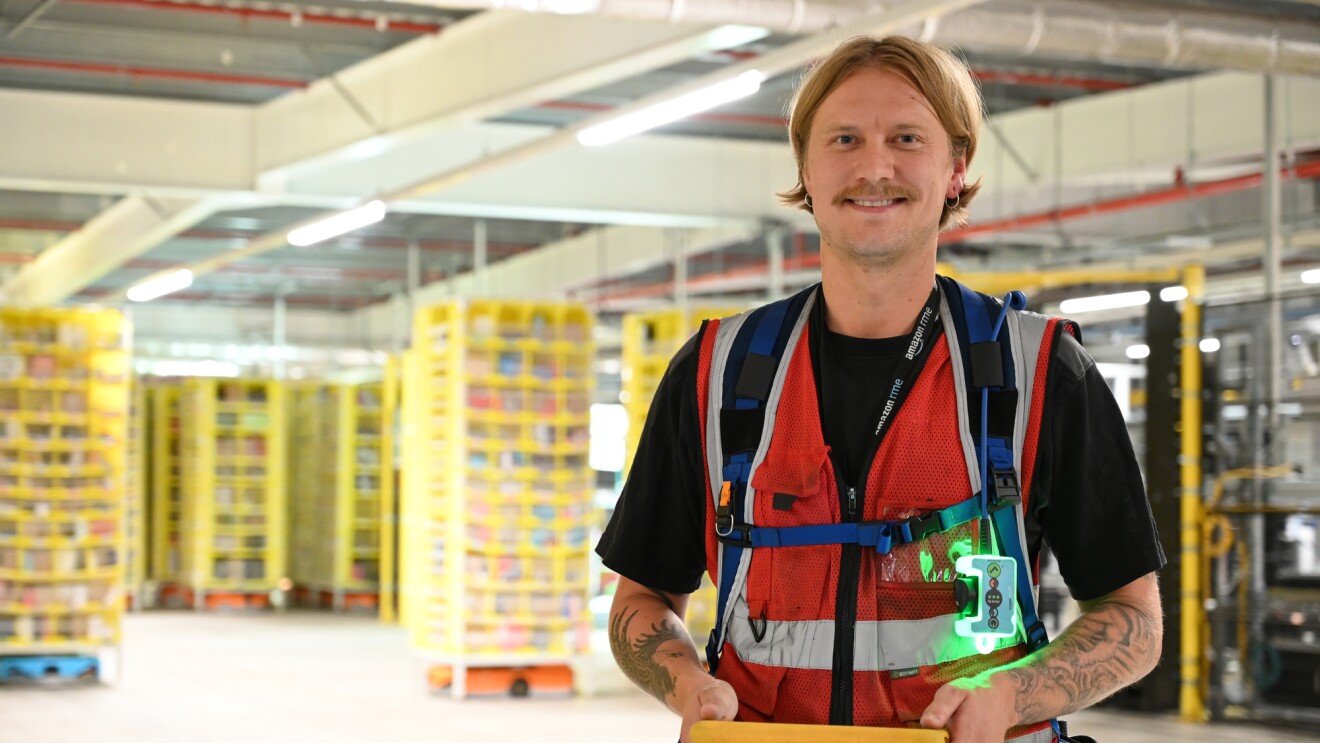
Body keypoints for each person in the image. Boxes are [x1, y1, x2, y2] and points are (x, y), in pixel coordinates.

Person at [596, 35, 1165, 743]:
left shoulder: (1041, 372)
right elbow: (641, 598)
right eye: (844, 139)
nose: (874, 167)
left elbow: (1134, 619)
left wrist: (1012, 694)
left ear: (956, 167)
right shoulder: (717, 373)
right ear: (805, 167)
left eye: (906, 138)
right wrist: (688, 684)